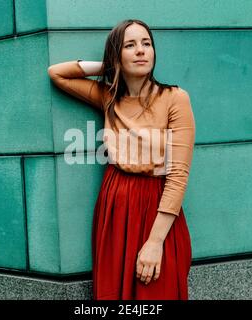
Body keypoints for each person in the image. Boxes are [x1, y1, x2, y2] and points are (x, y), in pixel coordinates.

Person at [47, 19, 196, 300]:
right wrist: (110, 66)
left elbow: (178, 175)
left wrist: (154, 243)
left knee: (156, 292)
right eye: (130, 45)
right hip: (114, 205)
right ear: (117, 55)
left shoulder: (175, 98)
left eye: (146, 43)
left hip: (157, 207)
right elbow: (57, 74)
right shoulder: (109, 97)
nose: (141, 51)